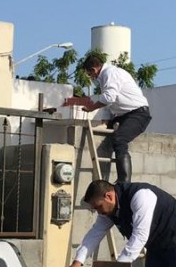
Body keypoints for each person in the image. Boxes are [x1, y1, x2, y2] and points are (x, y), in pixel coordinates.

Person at [62, 54, 151, 183]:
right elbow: (109, 103)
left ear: (93, 69)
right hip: (123, 115)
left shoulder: (110, 73)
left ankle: (124, 181)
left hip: (138, 114)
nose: (91, 78)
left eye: (89, 74)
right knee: (108, 134)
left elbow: (109, 98)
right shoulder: (106, 77)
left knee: (119, 139)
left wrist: (92, 108)